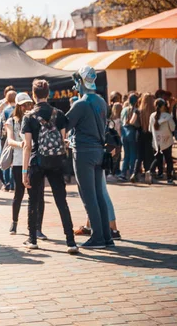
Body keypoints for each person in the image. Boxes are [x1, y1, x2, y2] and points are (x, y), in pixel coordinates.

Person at [22, 80, 78, 254]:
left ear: (33, 94)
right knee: (61, 201)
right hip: (55, 162)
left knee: (33, 200)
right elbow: (63, 140)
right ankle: (71, 241)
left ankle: (32, 240)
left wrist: (24, 171)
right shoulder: (59, 114)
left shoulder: (29, 116)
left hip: (37, 162)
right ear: (48, 93)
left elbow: (27, 145)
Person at [66, 66, 113, 249]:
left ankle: (98, 238)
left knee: (88, 195)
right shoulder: (101, 101)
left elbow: (66, 124)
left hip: (84, 152)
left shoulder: (80, 104)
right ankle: (106, 236)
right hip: (98, 151)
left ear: (80, 81)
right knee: (99, 194)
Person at [6, 92, 34, 235]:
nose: (27, 107)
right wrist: (21, 143)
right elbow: (10, 140)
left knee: (33, 194)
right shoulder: (11, 121)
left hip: (33, 160)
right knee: (19, 193)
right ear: (18, 106)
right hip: (18, 161)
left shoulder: (33, 118)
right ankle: (14, 222)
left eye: (29, 104)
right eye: (24, 105)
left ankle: (34, 227)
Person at [0, 86, 17, 191]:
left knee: (10, 158)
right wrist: (3, 104)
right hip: (3, 135)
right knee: (6, 157)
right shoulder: (2, 103)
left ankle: (9, 184)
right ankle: (6, 183)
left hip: (7, 134)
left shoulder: (16, 107)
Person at [149, 98, 175, 185]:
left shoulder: (152, 116)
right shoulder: (167, 116)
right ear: (163, 106)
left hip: (156, 141)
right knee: (168, 160)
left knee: (157, 158)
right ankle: (169, 178)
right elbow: (173, 128)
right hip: (166, 141)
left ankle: (151, 172)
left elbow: (150, 129)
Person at [119, 93, 140, 182]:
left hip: (124, 132)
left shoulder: (124, 110)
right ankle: (132, 173)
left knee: (126, 154)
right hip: (132, 132)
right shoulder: (136, 110)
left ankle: (123, 173)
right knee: (133, 154)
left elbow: (120, 121)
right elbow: (134, 122)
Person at [134, 93, 155, 182]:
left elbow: (132, 122)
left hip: (139, 134)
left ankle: (134, 174)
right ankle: (148, 176)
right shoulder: (154, 112)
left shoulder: (138, 111)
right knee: (149, 156)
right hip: (150, 135)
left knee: (139, 156)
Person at [109, 102, 123, 178]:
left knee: (113, 154)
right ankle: (116, 170)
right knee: (118, 155)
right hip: (118, 139)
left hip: (112, 140)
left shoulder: (111, 120)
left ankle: (112, 170)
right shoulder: (119, 120)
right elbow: (120, 131)